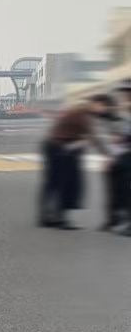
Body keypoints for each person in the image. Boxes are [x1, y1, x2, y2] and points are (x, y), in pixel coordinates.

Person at [38, 91, 114, 229]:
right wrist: (107, 155)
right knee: (63, 183)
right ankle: (59, 219)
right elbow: (93, 136)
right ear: (97, 104)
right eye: (104, 107)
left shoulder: (81, 109)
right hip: (58, 147)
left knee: (53, 183)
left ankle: (45, 217)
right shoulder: (83, 113)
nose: (104, 111)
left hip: (55, 146)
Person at [101, 83, 131, 234]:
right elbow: (116, 138)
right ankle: (114, 221)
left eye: (126, 94)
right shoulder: (120, 114)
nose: (123, 97)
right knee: (116, 190)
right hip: (121, 156)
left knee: (126, 191)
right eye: (122, 94)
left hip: (127, 156)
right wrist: (110, 157)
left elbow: (123, 137)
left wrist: (122, 138)